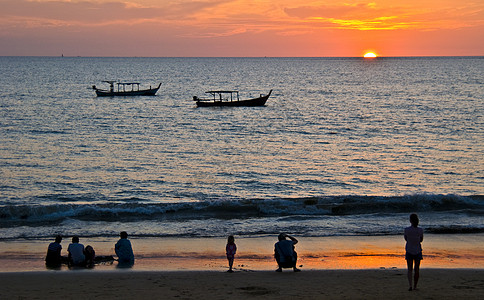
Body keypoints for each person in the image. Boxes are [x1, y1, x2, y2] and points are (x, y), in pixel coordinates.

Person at [404, 213, 424, 291]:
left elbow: (406, 239)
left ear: (410, 221)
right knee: (416, 269)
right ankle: (415, 286)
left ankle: (410, 285)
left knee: (409, 269)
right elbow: (421, 240)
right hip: (418, 250)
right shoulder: (420, 230)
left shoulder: (406, 230)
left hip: (409, 250)